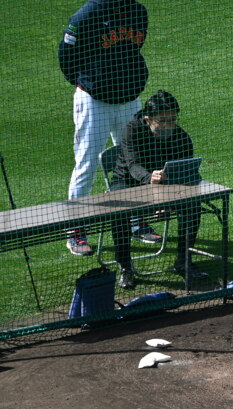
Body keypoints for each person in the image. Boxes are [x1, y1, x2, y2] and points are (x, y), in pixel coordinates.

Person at [58, 0, 149, 257]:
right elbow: (66, 56)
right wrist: (90, 83)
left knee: (133, 159)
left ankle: (136, 221)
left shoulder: (138, 11)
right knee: (87, 164)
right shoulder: (87, 14)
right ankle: (75, 231)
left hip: (130, 99)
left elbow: (133, 49)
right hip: (94, 102)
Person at [108, 90, 207, 289]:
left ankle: (184, 260)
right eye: (163, 121)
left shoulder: (181, 137)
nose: (169, 126)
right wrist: (149, 179)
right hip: (128, 183)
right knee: (119, 212)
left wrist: (165, 199)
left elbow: (184, 173)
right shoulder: (131, 130)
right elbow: (133, 165)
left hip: (166, 186)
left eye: (173, 119)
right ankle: (125, 267)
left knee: (192, 206)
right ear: (147, 119)